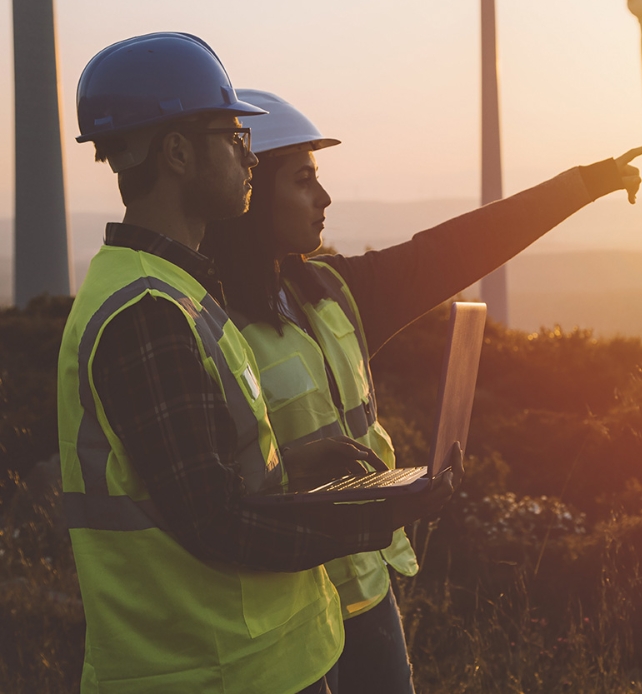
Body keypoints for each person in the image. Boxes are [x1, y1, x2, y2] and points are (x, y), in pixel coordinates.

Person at [201, 89, 642, 694]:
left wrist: (583, 184)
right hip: (283, 610)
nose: (324, 197)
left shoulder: (335, 293)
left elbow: (454, 248)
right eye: (304, 180)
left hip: (368, 591)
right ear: (253, 193)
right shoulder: (207, 322)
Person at [57, 34, 461, 694]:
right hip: (208, 673)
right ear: (179, 153)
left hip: (261, 664)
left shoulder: (182, 292)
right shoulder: (146, 314)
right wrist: (380, 512)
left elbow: (194, 477)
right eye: (231, 133)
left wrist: (299, 466)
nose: (249, 152)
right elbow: (216, 523)